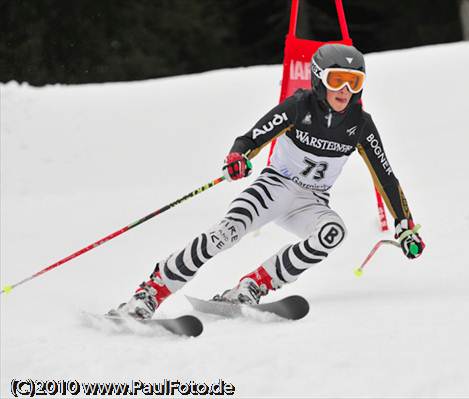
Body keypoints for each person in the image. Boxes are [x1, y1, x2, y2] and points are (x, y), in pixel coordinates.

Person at [113, 43, 425, 320]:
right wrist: (238, 157)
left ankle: (252, 287)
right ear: (318, 79)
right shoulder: (299, 106)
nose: (345, 90)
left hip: (311, 201)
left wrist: (404, 224)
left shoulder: (360, 125)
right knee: (225, 234)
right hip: (274, 187)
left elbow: (385, 176)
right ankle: (150, 293)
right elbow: (251, 138)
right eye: (336, 80)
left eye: (354, 82)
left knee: (332, 233)